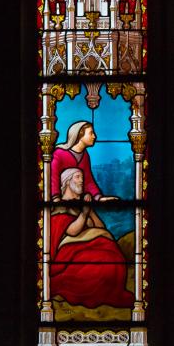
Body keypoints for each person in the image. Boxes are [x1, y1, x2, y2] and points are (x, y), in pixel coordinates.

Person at [49, 168, 133, 309]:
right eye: (77, 177)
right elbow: (73, 231)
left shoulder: (83, 205)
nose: (81, 181)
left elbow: (101, 228)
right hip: (68, 255)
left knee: (111, 258)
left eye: (82, 177)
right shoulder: (60, 207)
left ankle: (105, 293)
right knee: (100, 262)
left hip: (87, 247)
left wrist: (90, 210)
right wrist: (84, 213)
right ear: (67, 181)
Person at [51, 120, 116, 202]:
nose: (94, 136)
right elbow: (53, 178)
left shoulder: (85, 155)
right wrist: (56, 198)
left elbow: (88, 180)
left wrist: (98, 197)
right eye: (91, 133)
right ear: (80, 135)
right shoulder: (59, 153)